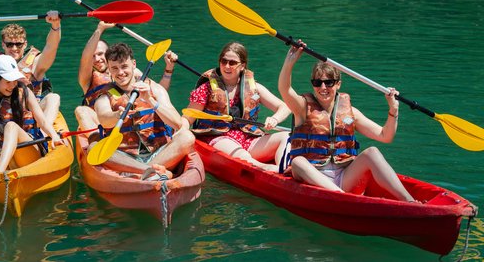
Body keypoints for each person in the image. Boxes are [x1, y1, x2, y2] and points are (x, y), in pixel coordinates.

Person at [278, 41, 417, 202]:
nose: (323, 87)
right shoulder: (302, 107)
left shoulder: (351, 113)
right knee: (298, 162)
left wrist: (393, 109)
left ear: (338, 84)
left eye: (328, 82)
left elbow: (386, 136)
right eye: (317, 83)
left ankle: (410, 201)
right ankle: (341, 198)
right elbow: (285, 89)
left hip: (344, 176)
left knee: (372, 152)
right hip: (313, 176)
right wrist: (290, 61)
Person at [182, 42, 292, 172]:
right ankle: (267, 169)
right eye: (224, 61)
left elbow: (285, 107)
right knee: (240, 153)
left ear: (242, 66)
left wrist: (275, 119)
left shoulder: (254, 88)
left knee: (287, 136)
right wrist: (181, 133)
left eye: (232, 63)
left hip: (249, 138)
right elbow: (188, 118)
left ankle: (284, 168)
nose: (227, 66)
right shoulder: (206, 89)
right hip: (217, 137)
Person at [91, 42, 194, 179]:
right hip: (126, 157)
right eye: (114, 68)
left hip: (159, 152)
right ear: (109, 69)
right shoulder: (104, 95)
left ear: (133, 64)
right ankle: (150, 171)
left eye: (124, 66)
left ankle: (142, 173)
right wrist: (117, 115)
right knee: (93, 147)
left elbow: (177, 124)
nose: (120, 72)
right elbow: (104, 119)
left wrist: (151, 101)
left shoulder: (154, 88)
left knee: (187, 137)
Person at [75, 21, 178, 136]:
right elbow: (86, 58)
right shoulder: (87, 78)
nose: (97, 59)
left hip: (128, 120)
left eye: (100, 54)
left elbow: (158, 90)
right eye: (93, 56)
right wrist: (100, 29)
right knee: (81, 110)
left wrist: (168, 69)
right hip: (101, 120)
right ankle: (96, 140)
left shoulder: (131, 71)